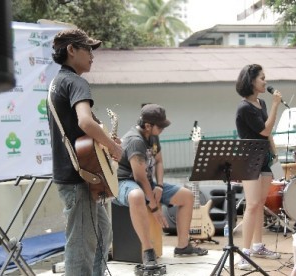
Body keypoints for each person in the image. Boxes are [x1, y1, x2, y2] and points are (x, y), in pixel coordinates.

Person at [47, 28, 123, 276]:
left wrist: (103, 141)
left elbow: (81, 132)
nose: (92, 55)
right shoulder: (76, 81)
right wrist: (112, 147)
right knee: (81, 246)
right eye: (88, 49)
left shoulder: (58, 81)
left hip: (73, 176)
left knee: (102, 231)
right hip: (78, 179)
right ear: (71, 50)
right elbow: (85, 123)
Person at [115, 103, 208, 267]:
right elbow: (139, 177)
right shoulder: (135, 141)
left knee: (187, 196)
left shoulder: (152, 135)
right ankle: (148, 252)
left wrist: (159, 186)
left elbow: (158, 162)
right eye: (161, 126)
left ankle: (182, 246)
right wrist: (154, 206)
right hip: (126, 183)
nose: (163, 129)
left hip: (149, 182)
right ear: (148, 125)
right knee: (137, 196)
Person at [234, 64, 282, 270]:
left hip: (264, 158)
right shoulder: (244, 107)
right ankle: (244, 254)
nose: (265, 81)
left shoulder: (261, 103)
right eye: (262, 78)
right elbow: (264, 130)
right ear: (251, 81)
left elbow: (269, 135)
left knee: (260, 202)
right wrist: (275, 105)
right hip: (249, 158)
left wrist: (276, 156)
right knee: (252, 204)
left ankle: (258, 246)